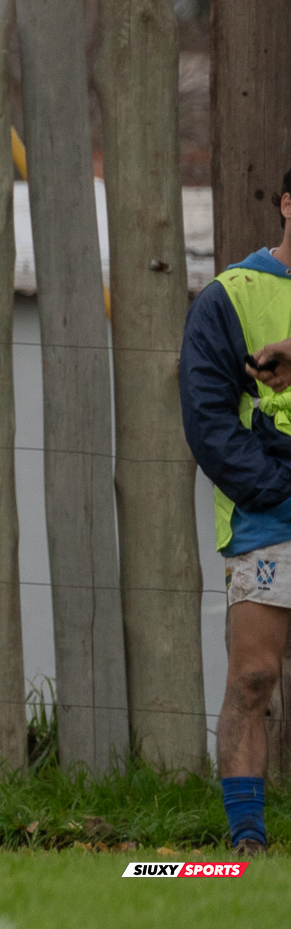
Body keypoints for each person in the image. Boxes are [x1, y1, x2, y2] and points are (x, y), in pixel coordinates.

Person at [180, 167, 291, 855]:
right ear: (286, 204)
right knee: (253, 676)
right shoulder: (231, 294)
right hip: (267, 512)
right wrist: (273, 488)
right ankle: (246, 840)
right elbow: (206, 418)